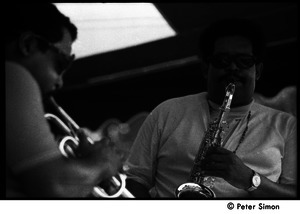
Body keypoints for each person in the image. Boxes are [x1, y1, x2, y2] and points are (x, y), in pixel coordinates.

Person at [125, 18, 297, 198]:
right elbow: (136, 179)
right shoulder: (166, 112)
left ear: (258, 71)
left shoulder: (287, 125)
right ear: (206, 68)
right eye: (222, 60)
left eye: (244, 61)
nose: (232, 68)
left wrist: (250, 179)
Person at [6, 3, 124, 198]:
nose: (59, 81)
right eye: (61, 64)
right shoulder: (12, 75)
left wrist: (80, 167)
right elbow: (55, 186)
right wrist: (102, 162)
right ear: (28, 44)